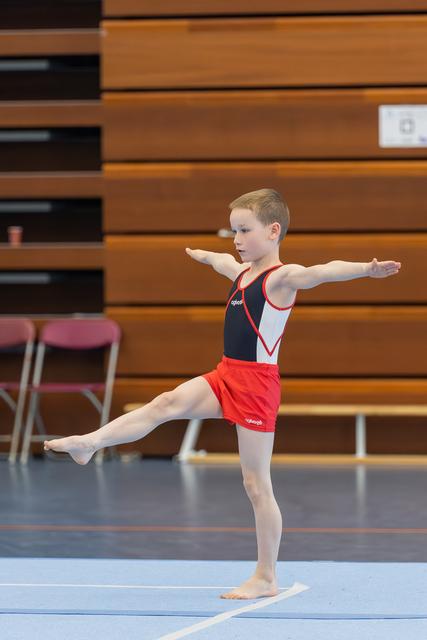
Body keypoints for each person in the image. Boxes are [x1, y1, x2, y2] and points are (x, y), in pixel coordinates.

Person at [44, 188, 401, 599]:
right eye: (233, 230)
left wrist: (365, 269)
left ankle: (266, 576)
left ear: (273, 231)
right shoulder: (241, 273)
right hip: (226, 373)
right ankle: (90, 443)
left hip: (256, 386)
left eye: (245, 230)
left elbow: (322, 270)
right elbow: (223, 261)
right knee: (164, 403)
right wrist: (203, 256)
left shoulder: (281, 279)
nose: (236, 239)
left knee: (255, 482)